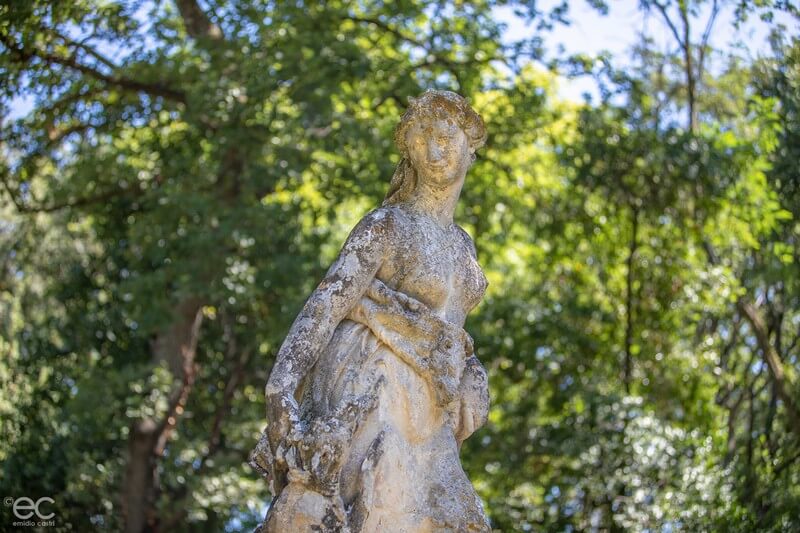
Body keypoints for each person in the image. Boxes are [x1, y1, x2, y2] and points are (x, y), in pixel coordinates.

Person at [253, 90, 492, 532]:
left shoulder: (464, 247)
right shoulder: (387, 225)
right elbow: (326, 304)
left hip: (432, 414)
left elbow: (451, 333)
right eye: (421, 140)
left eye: (446, 136)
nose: (435, 150)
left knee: (460, 521)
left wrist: (472, 372)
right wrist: (280, 386)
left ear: (471, 141)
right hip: (375, 389)